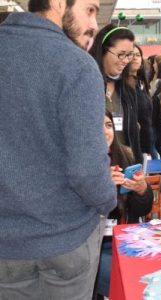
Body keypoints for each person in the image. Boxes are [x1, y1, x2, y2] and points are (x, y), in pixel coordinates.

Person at [0, 0, 117, 298]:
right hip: (67, 240)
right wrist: (107, 200)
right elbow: (87, 170)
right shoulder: (76, 63)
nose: (94, 24)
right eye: (90, 9)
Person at [95, 110, 153, 299]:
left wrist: (142, 190)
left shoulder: (126, 155)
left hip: (127, 239)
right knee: (124, 282)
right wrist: (103, 185)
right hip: (95, 245)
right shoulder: (79, 165)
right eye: (98, 125)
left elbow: (141, 209)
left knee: (149, 276)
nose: (105, 131)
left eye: (109, 125)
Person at [89, 23, 143, 163]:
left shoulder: (128, 91)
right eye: (121, 54)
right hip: (98, 165)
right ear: (103, 51)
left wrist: (138, 165)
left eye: (129, 55)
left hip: (125, 165)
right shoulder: (87, 87)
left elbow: (133, 135)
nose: (125, 60)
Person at [127, 44, 153, 157]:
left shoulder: (142, 83)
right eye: (131, 54)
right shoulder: (121, 85)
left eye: (138, 55)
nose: (135, 58)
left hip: (146, 140)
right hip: (130, 143)